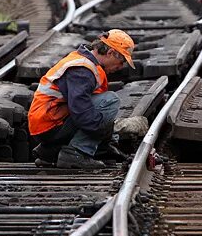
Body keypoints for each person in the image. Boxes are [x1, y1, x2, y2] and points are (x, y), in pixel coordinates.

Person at [27, 29, 150, 169]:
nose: (121, 67)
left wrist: (106, 144)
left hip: (49, 122)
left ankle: (49, 153)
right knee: (110, 101)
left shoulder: (85, 63)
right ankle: (76, 153)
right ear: (110, 53)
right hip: (50, 126)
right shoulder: (82, 70)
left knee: (99, 106)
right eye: (121, 61)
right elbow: (82, 114)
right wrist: (115, 127)